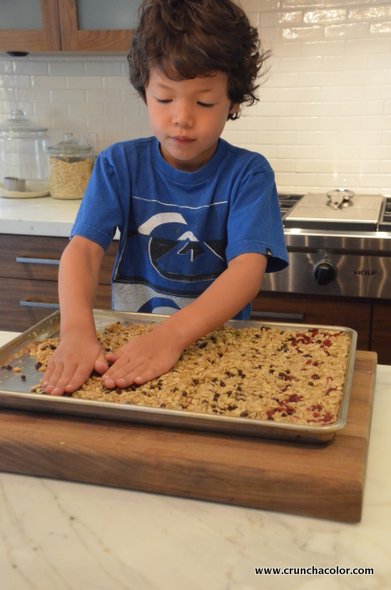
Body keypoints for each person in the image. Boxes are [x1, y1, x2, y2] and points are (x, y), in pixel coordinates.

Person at [42, 0, 288, 396]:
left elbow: (246, 272)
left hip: (216, 351)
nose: (182, 117)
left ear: (235, 101)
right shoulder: (118, 165)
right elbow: (84, 249)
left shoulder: (248, 173)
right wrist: (75, 331)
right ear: (144, 93)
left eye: (204, 102)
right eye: (164, 98)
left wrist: (170, 337)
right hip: (132, 348)